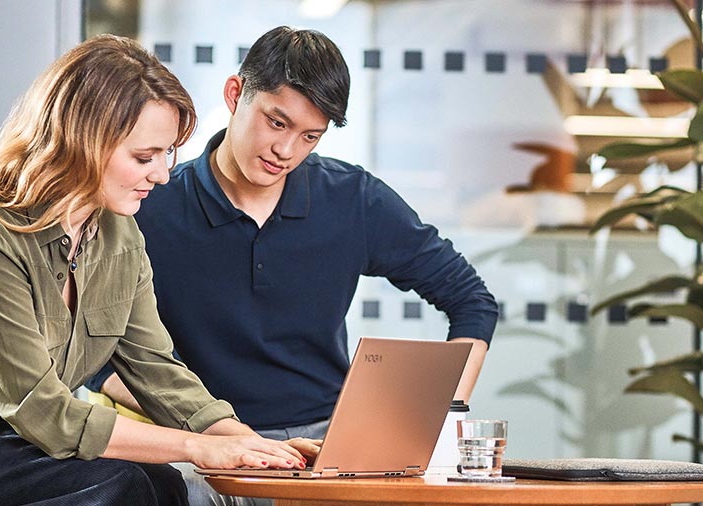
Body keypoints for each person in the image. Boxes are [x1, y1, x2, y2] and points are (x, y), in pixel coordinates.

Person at [0, 34, 315, 506]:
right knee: (125, 487)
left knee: (163, 484)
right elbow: (44, 413)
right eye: (144, 157)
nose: (161, 175)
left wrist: (251, 446)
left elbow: (156, 369)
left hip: (12, 423)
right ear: (82, 142)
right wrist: (201, 448)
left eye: (166, 154)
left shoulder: (120, 234)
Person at [93, 26, 499, 505]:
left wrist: (444, 413)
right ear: (235, 93)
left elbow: (472, 301)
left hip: (322, 449)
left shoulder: (352, 200)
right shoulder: (149, 204)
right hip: (197, 443)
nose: (285, 151)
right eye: (276, 123)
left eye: (310, 136)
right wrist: (208, 434)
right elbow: (97, 362)